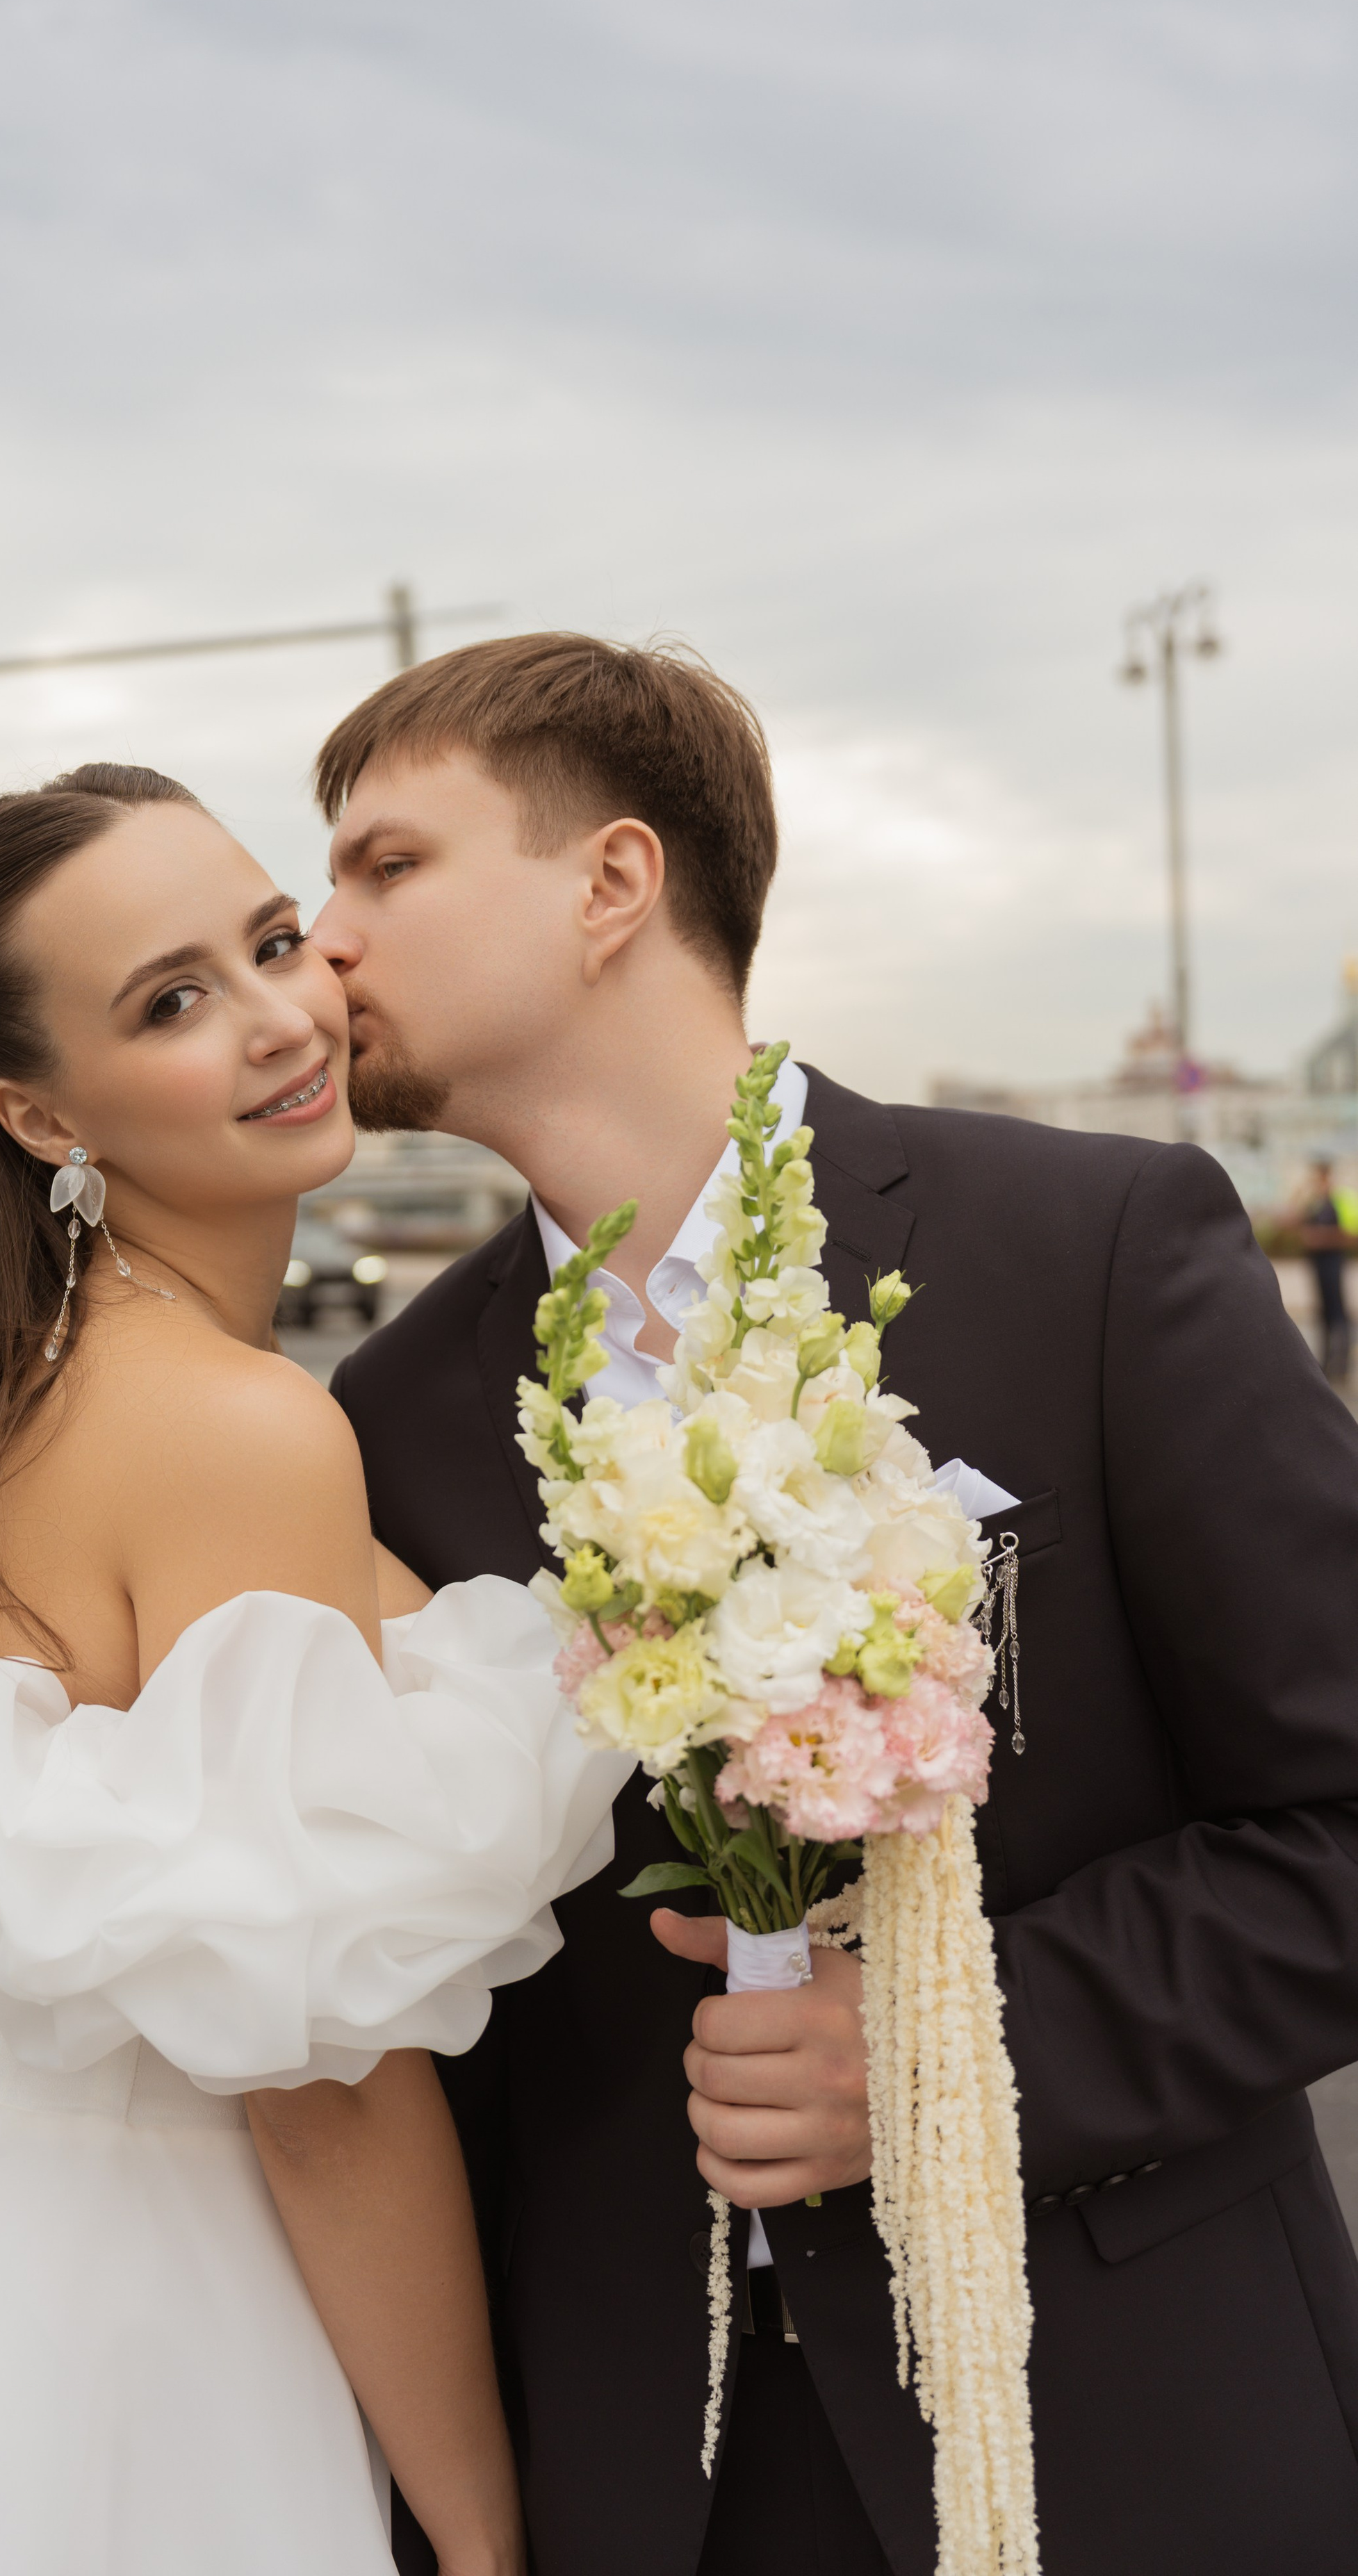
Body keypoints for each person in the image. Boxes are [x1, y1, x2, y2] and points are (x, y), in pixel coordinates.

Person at [310, 635, 1358, 2576]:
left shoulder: (1098, 1249)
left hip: (1130, 2424)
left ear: (613, 884)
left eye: (386, 867)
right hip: (658, 2477)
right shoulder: (382, 1424)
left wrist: (954, 2048)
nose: (325, 936)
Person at [0, 763, 628, 2576]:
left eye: (273, 941)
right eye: (174, 1002)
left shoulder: (22, 1375)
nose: (282, 1018)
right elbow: (322, 2097)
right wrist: (487, 2537)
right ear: (42, 1116)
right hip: (142, 2309)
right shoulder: (235, 1428)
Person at [1297, 1157, 1353, 1386]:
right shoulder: (1315, 1202)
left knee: (1337, 1313)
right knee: (1323, 1314)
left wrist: (1321, 1239)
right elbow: (1294, 1220)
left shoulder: (1342, 1200)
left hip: (1333, 1261)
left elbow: (1351, 1235)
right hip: (1317, 1264)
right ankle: (1327, 1362)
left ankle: (1342, 1364)